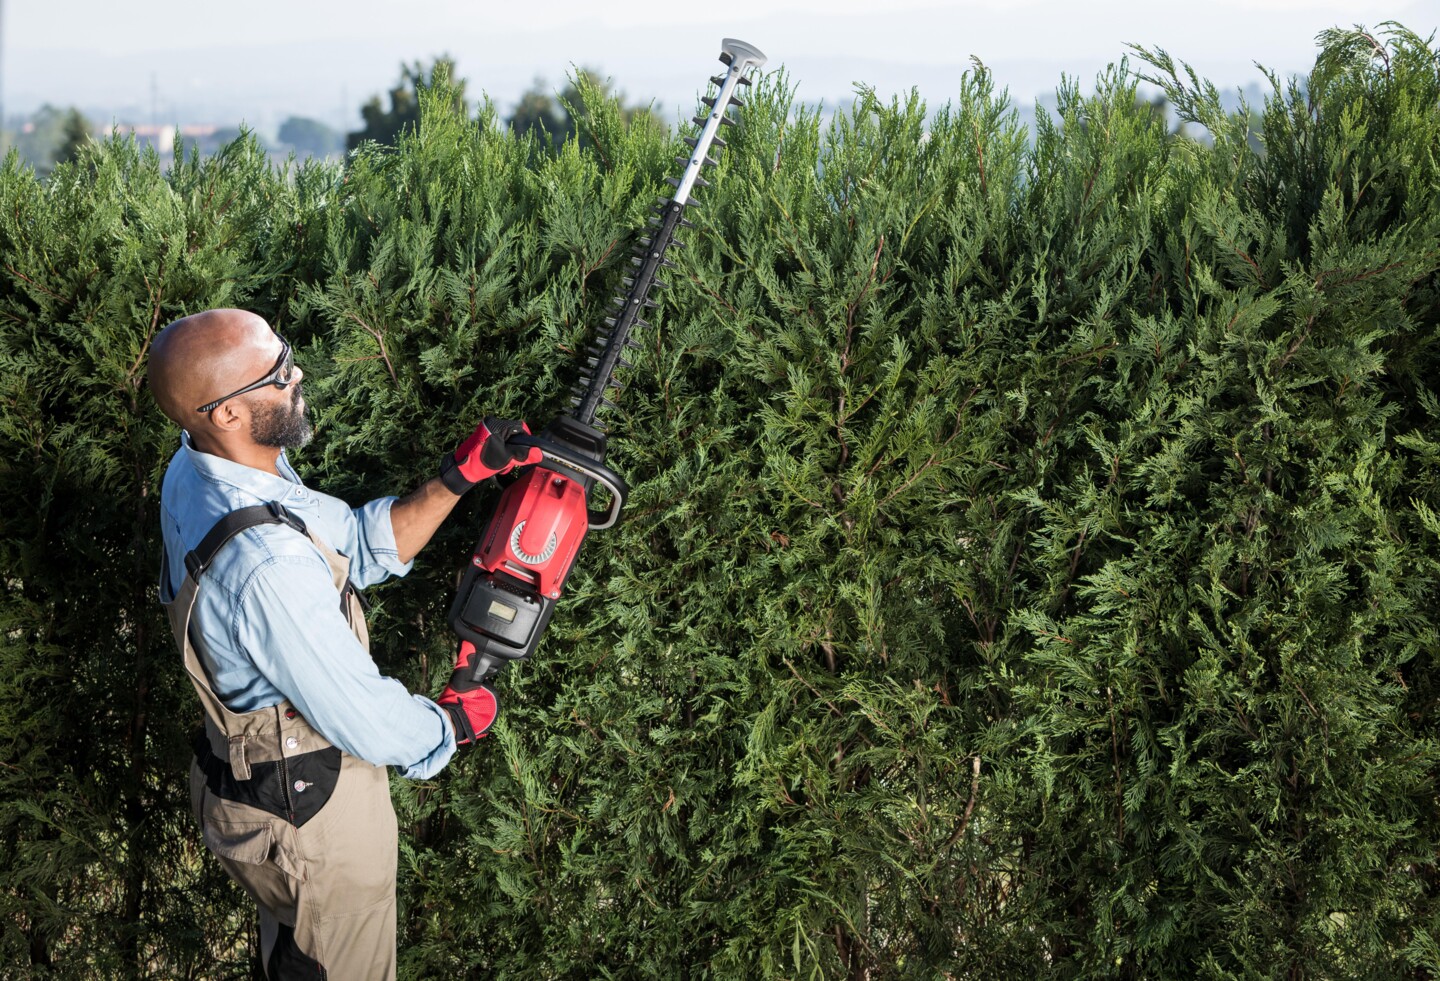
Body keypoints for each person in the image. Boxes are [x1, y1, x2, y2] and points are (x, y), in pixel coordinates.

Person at [148, 308, 537, 979]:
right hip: (312, 814)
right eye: (275, 372)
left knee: (296, 957)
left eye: (286, 354)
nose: (296, 373)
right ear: (227, 414)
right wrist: (445, 724)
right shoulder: (266, 567)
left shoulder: (202, 466)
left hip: (251, 789)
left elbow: (351, 543)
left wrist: (459, 476)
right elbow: (362, 718)